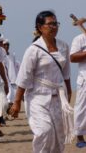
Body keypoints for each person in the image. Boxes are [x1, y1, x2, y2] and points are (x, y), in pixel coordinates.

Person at [10, 11, 73, 153]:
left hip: (57, 98)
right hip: (37, 97)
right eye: (50, 24)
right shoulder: (33, 50)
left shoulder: (63, 47)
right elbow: (24, 77)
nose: (54, 27)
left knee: (58, 135)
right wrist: (17, 101)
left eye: (56, 24)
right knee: (44, 131)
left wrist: (68, 93)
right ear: (40, 27)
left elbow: (66, 73)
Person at [69, 18, 86, 148]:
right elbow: (73, 57)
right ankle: (79, 135)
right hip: (84, 79)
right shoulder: (79, 39)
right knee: (81, 109)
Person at [2, 39, 20, 106]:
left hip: (14, 79)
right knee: (7, 97)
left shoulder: (12, 55)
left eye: (7, 45)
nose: (6, 46)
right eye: (5, 45)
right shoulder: (1, 56)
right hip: (6, 79)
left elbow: (16, 66)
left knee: (13, 97)